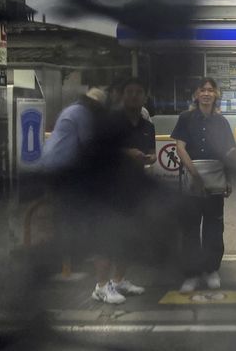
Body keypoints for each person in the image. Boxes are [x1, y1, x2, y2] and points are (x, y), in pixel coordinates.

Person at [41, 87, 143, 305]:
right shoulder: (82, 114)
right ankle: (102, 286)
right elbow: (94, 147)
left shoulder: (76, 111)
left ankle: (116, 279)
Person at [171, 77, 236, 293]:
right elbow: (180, 148)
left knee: (214, 229)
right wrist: (195, 175)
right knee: (190, 229)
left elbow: (227, 152)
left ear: (216, 94)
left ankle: (211, 270)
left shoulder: (221, 121)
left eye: (210, 90)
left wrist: (228, 179)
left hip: (216, 181)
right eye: (202, 90)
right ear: (196, 94)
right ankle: (191, 274)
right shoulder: (185, 118)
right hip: (191, 181)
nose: (206, 94)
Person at [96, 77, 157, 302]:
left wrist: (150, 156)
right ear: (122, 95)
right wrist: (126, 153)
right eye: (129, 92)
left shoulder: (147, 126)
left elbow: (152, 152)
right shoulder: (109, 122)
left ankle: (119, 280)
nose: (134, 96)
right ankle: (101, 286)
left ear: (144, 97)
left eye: (138, 92)